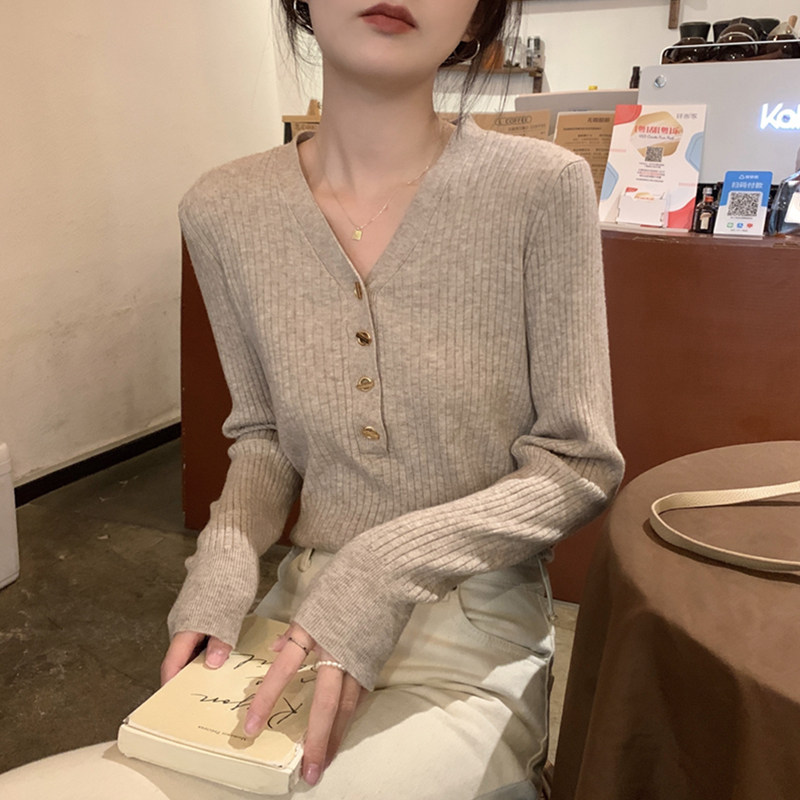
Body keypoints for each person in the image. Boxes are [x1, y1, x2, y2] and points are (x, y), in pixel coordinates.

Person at [0, 2, 623, 798]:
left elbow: (577, 461)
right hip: (298, 615)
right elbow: (263, 436)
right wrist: (225, 559)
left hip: (475, 635)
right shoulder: (222, 209)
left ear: (477, 18)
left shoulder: (540, 188)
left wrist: (382, 568)